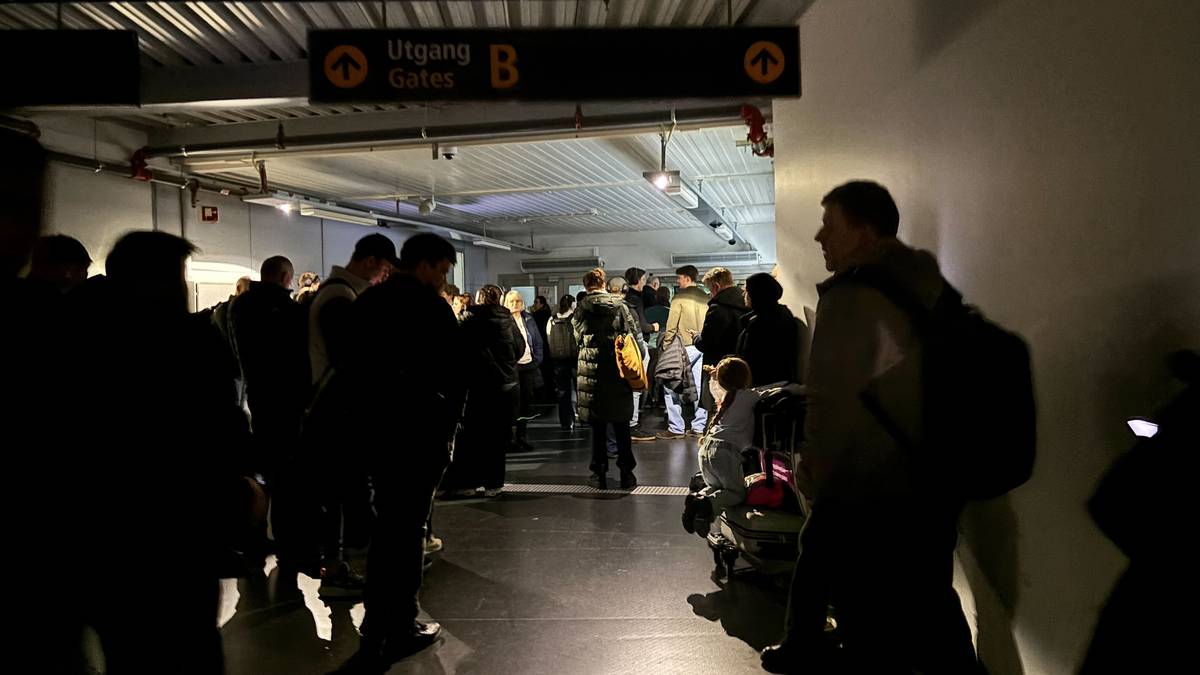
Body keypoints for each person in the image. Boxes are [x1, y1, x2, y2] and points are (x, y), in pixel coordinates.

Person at [761, 181, 977, 674]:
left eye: (831, 225)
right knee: (930, 596)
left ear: (865, 232)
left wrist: (815, 468)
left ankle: (806, 644)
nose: (819, 236)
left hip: (867, 480)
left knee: (861, 605)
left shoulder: (855, 296)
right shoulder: (929, 287)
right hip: (931, 471)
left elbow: (833, 397)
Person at [66, 231, 252, 673]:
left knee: (126, 650)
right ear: (165, 281)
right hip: (178, 531)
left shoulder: (73, 340)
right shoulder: (184, 343)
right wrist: (239, 496)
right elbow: (215, 434)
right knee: (188, 648)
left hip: (102, 537)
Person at [329, 233, 465, 674]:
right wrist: (446, 431)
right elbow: (453, 377)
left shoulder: (369, 302)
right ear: (425, 265)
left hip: (374, 435)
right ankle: (398, 624)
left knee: (388, 528)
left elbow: (346, 368)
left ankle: (377, 623)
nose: (445, 281)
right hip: (418, 437)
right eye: (443, 271)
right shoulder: (430, 308)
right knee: (407, 532)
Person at [304, 233, 397, 593]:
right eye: (385, 268)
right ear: (372, 261)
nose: (384, 276)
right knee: (339, 493)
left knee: (345, 490)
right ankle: (335, 568)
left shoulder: (342, 293)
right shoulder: (340, 296)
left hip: (338, 408)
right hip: (336, 409)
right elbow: (350, 359)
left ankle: (341, 563)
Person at [229, 255, 310, 566]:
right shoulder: (290, 311)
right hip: (288, 401)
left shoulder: (240, 308)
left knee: (263, 470)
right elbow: (298, 359)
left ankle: (256, 535)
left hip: (258, 396)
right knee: (289, 476)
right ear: (285, 276)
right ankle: (290, 541)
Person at [443, 284, 523, 497]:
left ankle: (468, 484)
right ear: (499, 299)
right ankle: (494, 484)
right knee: (497, 439)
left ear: (479, 299)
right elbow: (520, 348)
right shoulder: (508, 321)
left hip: (477, 387)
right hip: (506, 387)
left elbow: (456, 351)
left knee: (472, 438)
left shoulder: (469, 319)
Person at [574, 268, 643, 490]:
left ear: (586, 286)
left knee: (598, 427)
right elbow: (633, 336)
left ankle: (599, 473)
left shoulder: (581, 309)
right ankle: (627, 473)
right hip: (618, 370)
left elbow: (576, 338)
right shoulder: (620, 306)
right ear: (603, 283)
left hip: (592, 373)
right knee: (621, 425)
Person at [681, 357, 757, 536]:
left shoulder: (723, 396)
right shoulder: (748, 396)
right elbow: (769, 392)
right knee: (736, 494)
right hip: (725, 452)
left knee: (717, 489)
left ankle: (696, 500)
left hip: (707, 449)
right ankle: (705, 505)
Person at [657, 264, 709, 439]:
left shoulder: (678, 298)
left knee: (670, 384)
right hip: (701, 346)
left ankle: (676, 427)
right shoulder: (706, 297)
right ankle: (699, 426)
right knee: (700, 388)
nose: (678, 281)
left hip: (683, 347)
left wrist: (666, 346)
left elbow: (671, 326)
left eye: (679, 278)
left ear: (687, 278)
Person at [693, 267, 749, 417]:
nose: (710, 294)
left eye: (709, 289)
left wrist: (696, 338)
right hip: (742, 370)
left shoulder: (717, 308)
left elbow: (707, 343)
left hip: (718, 370)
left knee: (716, 413)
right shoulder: (747, 304)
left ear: (716, 286)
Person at [736, 273, 802, 387]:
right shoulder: (780, 313)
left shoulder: (761, 323)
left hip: (763, 386)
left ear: (756, 293)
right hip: (779, 382)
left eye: (747, 291)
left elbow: (751, 360)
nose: (744, 294)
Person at [505, 290, 544, 452]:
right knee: (512, 405)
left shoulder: (528, 318)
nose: (515, 304)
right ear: (506, 303)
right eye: (512, 301)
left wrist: (537, 361)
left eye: (518, 301)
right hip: (512, 368)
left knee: (526, 404)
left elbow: (537, 341)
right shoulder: (505, 321)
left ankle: (522, 436)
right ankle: (509, 439)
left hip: (529, 365)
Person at [622, 268, 658, 442]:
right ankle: (633, 425)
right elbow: (641, 326)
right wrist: (654, 327)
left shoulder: (625, 298)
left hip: (626, 346)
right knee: (636, 387)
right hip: (637, 345)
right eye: (643, 279)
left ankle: (629, 423)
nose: (645, 282)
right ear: (638, 280)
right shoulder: (636, 299)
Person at [545, 294, 578, 430]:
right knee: (579, 390)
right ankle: (582, 418)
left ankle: (566, 421)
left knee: (563, 392)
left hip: (558, 361)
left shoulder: (551, 319)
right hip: (574, 360)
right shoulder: (575, 318)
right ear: (572, 304)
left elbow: (548, 338)